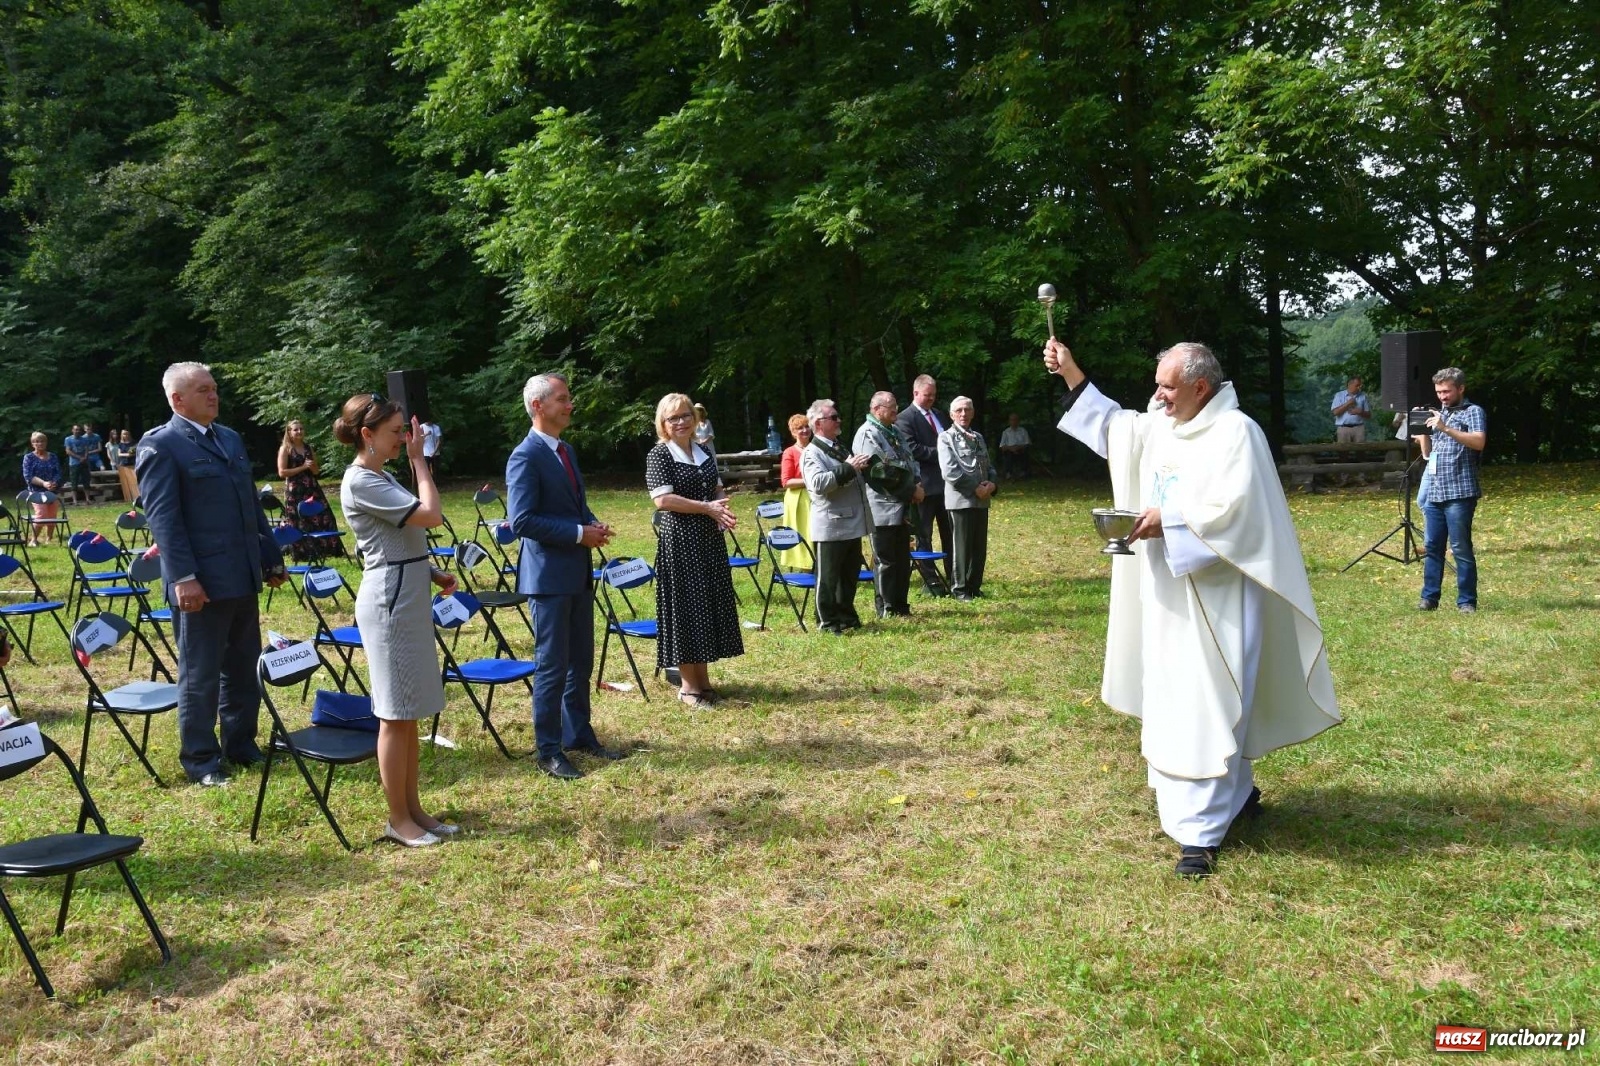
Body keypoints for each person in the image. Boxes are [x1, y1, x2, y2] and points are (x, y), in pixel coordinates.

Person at [1044, 338, 1339, 877]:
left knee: (1210, 699)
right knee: (1176, 696)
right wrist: (1071, 373)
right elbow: (1118, 429)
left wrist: (1170, 521)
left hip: (1217, 592)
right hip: (1166, 591)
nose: (1157, 396)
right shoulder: (1165, 422)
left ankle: (1199, 837)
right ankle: (1237, 793)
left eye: (1167, 386)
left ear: (1201, 387)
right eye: (1158, 384)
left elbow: (1236, 512)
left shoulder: (1236, 434)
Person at [136, 362, 287, 787]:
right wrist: (182, 576)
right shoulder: (162, 446)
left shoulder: (230, 439)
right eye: (202, 390)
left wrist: (269, 557)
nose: (213, 395)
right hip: (199, 581)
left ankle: (241, 746)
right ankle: (201, 759)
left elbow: (250, 506)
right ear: (177, 399)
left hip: (240, 573)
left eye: (214, 388)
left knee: (243, 668)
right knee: (200, 674)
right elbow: (164, 519)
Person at [334, 393, 459, 847]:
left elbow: (394, 539)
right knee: (393, 711)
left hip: (405, 591)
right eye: (396, 432)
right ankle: (396, 818)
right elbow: (430, 516)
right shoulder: (360, 480)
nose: (405, 438)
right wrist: (420, 463)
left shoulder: (378, 475)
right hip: (388, 602)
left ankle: (414, 809)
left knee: (408, 712)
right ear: (367, 435)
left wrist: (429, 570)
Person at [506, 373, 623, 780]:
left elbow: (574, 506)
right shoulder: (524, 456)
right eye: (562, 399)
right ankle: (548, 750)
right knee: (553, 665)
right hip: (548, 578)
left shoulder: (565, 451)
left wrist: (591, 523)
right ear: (538, 406)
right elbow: (521, 521)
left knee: (581, 662)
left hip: (576, 572)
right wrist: (578, 534)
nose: (570, 405)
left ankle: (579, 734)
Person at [646, 394, 745, 708]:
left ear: (695, 417)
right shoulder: (660, 454)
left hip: (708, 539)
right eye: (673, 418)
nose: (681, 422)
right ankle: (688, 688)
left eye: (685, 415)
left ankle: (703, 682)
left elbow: (716, 487)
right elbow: (663, 500)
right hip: (682, 541)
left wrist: (721, 507)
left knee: (706, 606)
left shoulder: (702, 451)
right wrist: (707, 508)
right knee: (688, 610)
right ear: (663, 423)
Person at [1413, 367, 1486, 613]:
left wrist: (1445, 428)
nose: (1442, 396)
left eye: (1446, 391)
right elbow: (1427, 454)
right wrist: (1422, 430)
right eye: (1438, 392)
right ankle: (1429, 598)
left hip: (1460, 492)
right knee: (1433, 546)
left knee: (1460, 548)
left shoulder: (1472, 411)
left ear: (1460, 388)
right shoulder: (1437, 413)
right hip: (1435, 490)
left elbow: (1478, 442)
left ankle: (1467, 601)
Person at [802, 398, 872, 634]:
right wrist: (849, 468)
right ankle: (827, 621)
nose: (839, 420)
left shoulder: (838, 447)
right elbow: (818, 484)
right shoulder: (812, 452)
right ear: (819, 424)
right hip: (831, 524)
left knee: (849, 575)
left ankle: (846, 615)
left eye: (837, 416)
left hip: (851, 521)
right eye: (833, 417)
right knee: (828, 578)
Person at [852, 391, 923, 617]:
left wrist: (917, 483)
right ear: (876, 409)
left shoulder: (894, 431)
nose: (896, 409)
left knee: (903, 558)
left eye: (896, 405)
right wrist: (911, 489)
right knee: (886, 559)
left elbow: (909, 460)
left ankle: (900, 604)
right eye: (891, 406)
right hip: (882, 506)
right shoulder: (867, 434)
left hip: (902, 504)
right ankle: (886, 607)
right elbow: (879, 471)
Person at [895, 374, 951, 594]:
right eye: (927, 396)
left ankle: (953, 574)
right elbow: (912, 449)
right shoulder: (904, 418)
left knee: (950, 533)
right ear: (915, 393)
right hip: (924, 486)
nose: (931, 400)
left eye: (934, 396)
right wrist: (943, 453)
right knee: (924, 534)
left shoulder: (939, 415)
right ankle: (931, 580)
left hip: (946, 485)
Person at [938, 396, 999, 601]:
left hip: (982, 500)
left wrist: (992, 484)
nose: (963, 414)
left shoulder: (978, 437)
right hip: (961, 500)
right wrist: (975, 488)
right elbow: (950, 472)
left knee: (979, 546)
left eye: (967, 410)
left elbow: (989, 466)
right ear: (951, 414)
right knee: (961, 546)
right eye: (959, 410)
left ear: (973, 413)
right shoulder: (945, 438)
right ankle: (960, 588)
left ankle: (974, 586)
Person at [278, 420, 337, 560]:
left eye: (301, 429)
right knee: (299, 520)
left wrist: (312, 467)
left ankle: (325, 549)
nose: (299, 432)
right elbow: (282, 472)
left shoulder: (308, 448)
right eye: (295, 429)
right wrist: (303, 467)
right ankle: (303, 552)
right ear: (289, 433)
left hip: (311, 487)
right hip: (295, 490)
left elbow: (316, 471)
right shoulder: (285, 449)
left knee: (323, 516)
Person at [777, 414, 813, 570]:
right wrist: (810, 481)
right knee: (804, 531)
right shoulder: (789, 452)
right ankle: (805, 565)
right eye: (800, 428)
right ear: (793, 432)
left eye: (807, 426)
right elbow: (786, 482)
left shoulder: (817, 448)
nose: (805, 430)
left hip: (816, 496)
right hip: (799, 498)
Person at [21, 432, 63, 546]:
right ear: (32, 444)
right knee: (41, 515)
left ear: (46, 442)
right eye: (37, 441)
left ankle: (49, 539)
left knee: (52, 515)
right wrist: (44, 483)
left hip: (52, 490)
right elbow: (28, 476)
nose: (40, 443)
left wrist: (54, 482)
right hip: (36, 492)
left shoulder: (53, 456)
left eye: (42, 441)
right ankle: (33, 540)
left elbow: (58, 473)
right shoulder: (28, 458)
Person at [1330, 376, 1371, 443]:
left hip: (1359, 428)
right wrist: (1347, 404)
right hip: (1343, 428)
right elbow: (1335, 412)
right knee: (1343, 451)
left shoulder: (1363, 396)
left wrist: (1360, 412)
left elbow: (1369, 415)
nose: (1359, 387)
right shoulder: (1339, 395)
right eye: (1357, 385)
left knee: (1360, 450)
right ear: (1350, 384)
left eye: (1360, 385)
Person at [106, 429, 140, 502]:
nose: (126, 435)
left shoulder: (134, 443)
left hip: (133, 463)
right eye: (124, 434)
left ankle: (137, 496)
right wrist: (127, 454)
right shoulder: (121, 444)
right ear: (122, 435)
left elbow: (137, 452)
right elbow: (119, 454)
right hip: (124, 464)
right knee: (125, 481)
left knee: (134, 480)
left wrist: (132, 454)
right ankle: (127, 497)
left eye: (127, 434)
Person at [64, 424, 93, 505]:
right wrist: (79, 457)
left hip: (84, 462)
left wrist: (85, 457)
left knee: (86, 480)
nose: (77, 431)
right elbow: (68, 451)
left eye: (78, 430)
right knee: (74, 481)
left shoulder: (84, 439)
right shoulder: (68, 439)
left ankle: (88, 499)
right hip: (74, 463)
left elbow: (87, 449)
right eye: (75, 429)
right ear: (72, 430)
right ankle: (75, 501)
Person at [998, 414, 1032, 479]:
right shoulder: (1006, 432)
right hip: (1009, 451)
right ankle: (1009, 473)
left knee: (1025, 453)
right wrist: (1010, 448)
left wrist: (1018, 447)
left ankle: (1023, 472)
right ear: (1009, 421)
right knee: (1008, 454)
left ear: (1018, 421)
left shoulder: (1023, 431)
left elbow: (1028, 443)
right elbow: (1002, 446)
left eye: (1015, 420)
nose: (1014, 421)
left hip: (1021, 450)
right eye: (1012, 420)